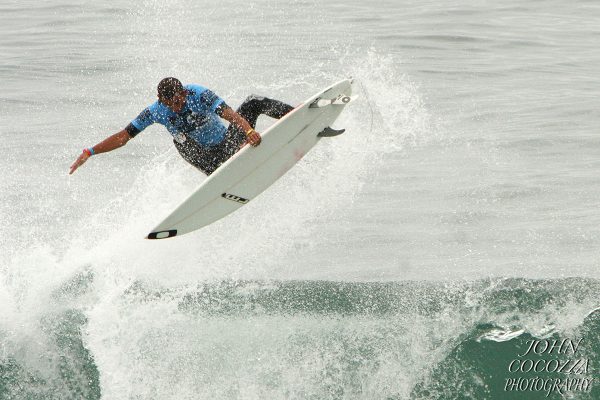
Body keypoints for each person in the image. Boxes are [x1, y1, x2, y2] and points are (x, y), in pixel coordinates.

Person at [69, 77, 293, 175]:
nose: (176, 106)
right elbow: (124, 137)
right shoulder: (155, 111)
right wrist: (91, 151)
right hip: (206, 157)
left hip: (228, 143)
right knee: (180, 141)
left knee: (253, 101)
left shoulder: (198, 94)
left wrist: (249, 131)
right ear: (160, 99)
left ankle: (297, 113)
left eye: (179, 100)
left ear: (184, 92)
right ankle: (218, 174)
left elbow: (230, 115)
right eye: (170, 103)